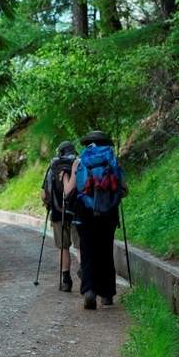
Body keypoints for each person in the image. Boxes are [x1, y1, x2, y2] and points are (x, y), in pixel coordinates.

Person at [63, 131, 127, 310]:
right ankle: (107, 295)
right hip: (108, 213)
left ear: (88, 144)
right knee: (106, 251)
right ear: (105, 143)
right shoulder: (112, 159)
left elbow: (69, 192)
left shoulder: (79, 161)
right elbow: (123, 188)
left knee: (88, 250)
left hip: (85, 213)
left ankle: (89, 291)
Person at [40, 141, 81, 292]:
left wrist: (48, 204)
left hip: (58, 214)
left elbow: (44, 194)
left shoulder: (52, 167)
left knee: (63, 247)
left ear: (60, 152)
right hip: (77, 212)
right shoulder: (77, 164)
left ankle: (66, 280)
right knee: (79, 246)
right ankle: (84, 273)